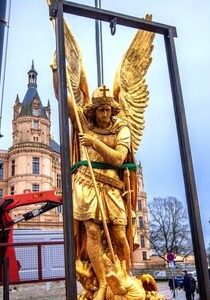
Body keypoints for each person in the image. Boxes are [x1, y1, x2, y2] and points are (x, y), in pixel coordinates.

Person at [69, 86, 138, 299]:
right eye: (101, 110)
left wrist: (95, 143)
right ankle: (100, 284)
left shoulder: (121, 128)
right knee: (92, 232)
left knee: (119, 233)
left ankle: (124, 277)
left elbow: (118, 158)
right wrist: (58, 70)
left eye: (108, 110)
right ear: (94, 111)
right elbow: (66, 99)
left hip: (112, 186)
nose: (105, 114)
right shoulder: (84, 124)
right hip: (87, 183)